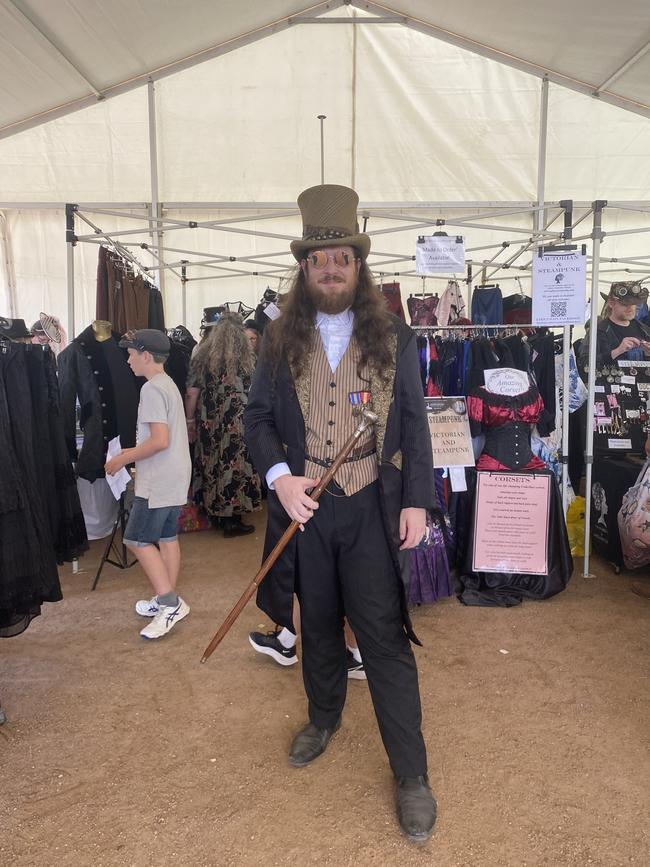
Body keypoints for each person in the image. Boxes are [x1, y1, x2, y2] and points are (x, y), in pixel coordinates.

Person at [244, 184, 437, 843]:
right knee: (318, 624)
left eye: (341, 257)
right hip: (309, 513)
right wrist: (280, 476)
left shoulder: (396, 338)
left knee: (382, 637)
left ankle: (411, 772)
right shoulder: (277, 342)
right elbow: (258, 419)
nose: (330, 268)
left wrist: (417, 499)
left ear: (358, 265)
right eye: (319, 258)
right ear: (305, 268)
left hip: (369, 509)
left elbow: (414, 422)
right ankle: (324, 715)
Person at [105, 329, 191, 640]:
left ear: (145, 356)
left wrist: (121, 459)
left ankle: (169, 603)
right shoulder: (167, 384)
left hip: (158, 478)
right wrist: (129, 454)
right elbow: (163, 440)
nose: (127, 361)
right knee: (167, 537)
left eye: (130, 354)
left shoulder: (152, 389)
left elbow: (158, 440)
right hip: (174, 473)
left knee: (137, 539)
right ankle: (166, 597)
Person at [185, 313, 261, 538]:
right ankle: (233, 521)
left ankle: (216, 515)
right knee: (236, 468)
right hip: (239, 423)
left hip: (210, 423)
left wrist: (190, 421)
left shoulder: (202, 356)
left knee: (212, 465)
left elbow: (191, 393)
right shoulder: (248, 359)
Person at [578, 281, 650, 373]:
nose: (630, 308)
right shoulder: (597, 331)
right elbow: (584, 364)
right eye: (625, 304)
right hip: (610, 385)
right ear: (611, 303)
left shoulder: (645, 330)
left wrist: (648, 355)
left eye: (633, 304)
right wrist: (617, 351)